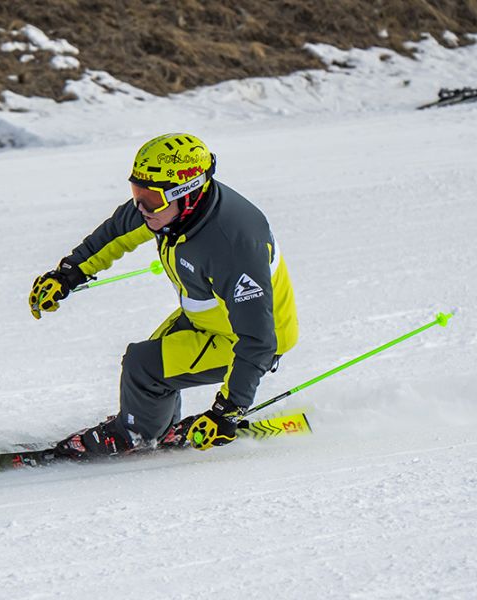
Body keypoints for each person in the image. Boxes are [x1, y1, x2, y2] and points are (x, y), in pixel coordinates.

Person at [29, 133, 298, 457]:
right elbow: (117, 231)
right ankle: (156, 427)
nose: (141, 208)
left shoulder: (232, 245)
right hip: (208, 319)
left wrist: (227, 412)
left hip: (251, 337)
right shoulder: (172, 211)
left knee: (143, 367)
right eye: (137, 193)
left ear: (188, 193)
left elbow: (258, 339)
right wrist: (68, 273)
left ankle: (133, 436)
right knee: (150, 363)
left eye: (150, 198)